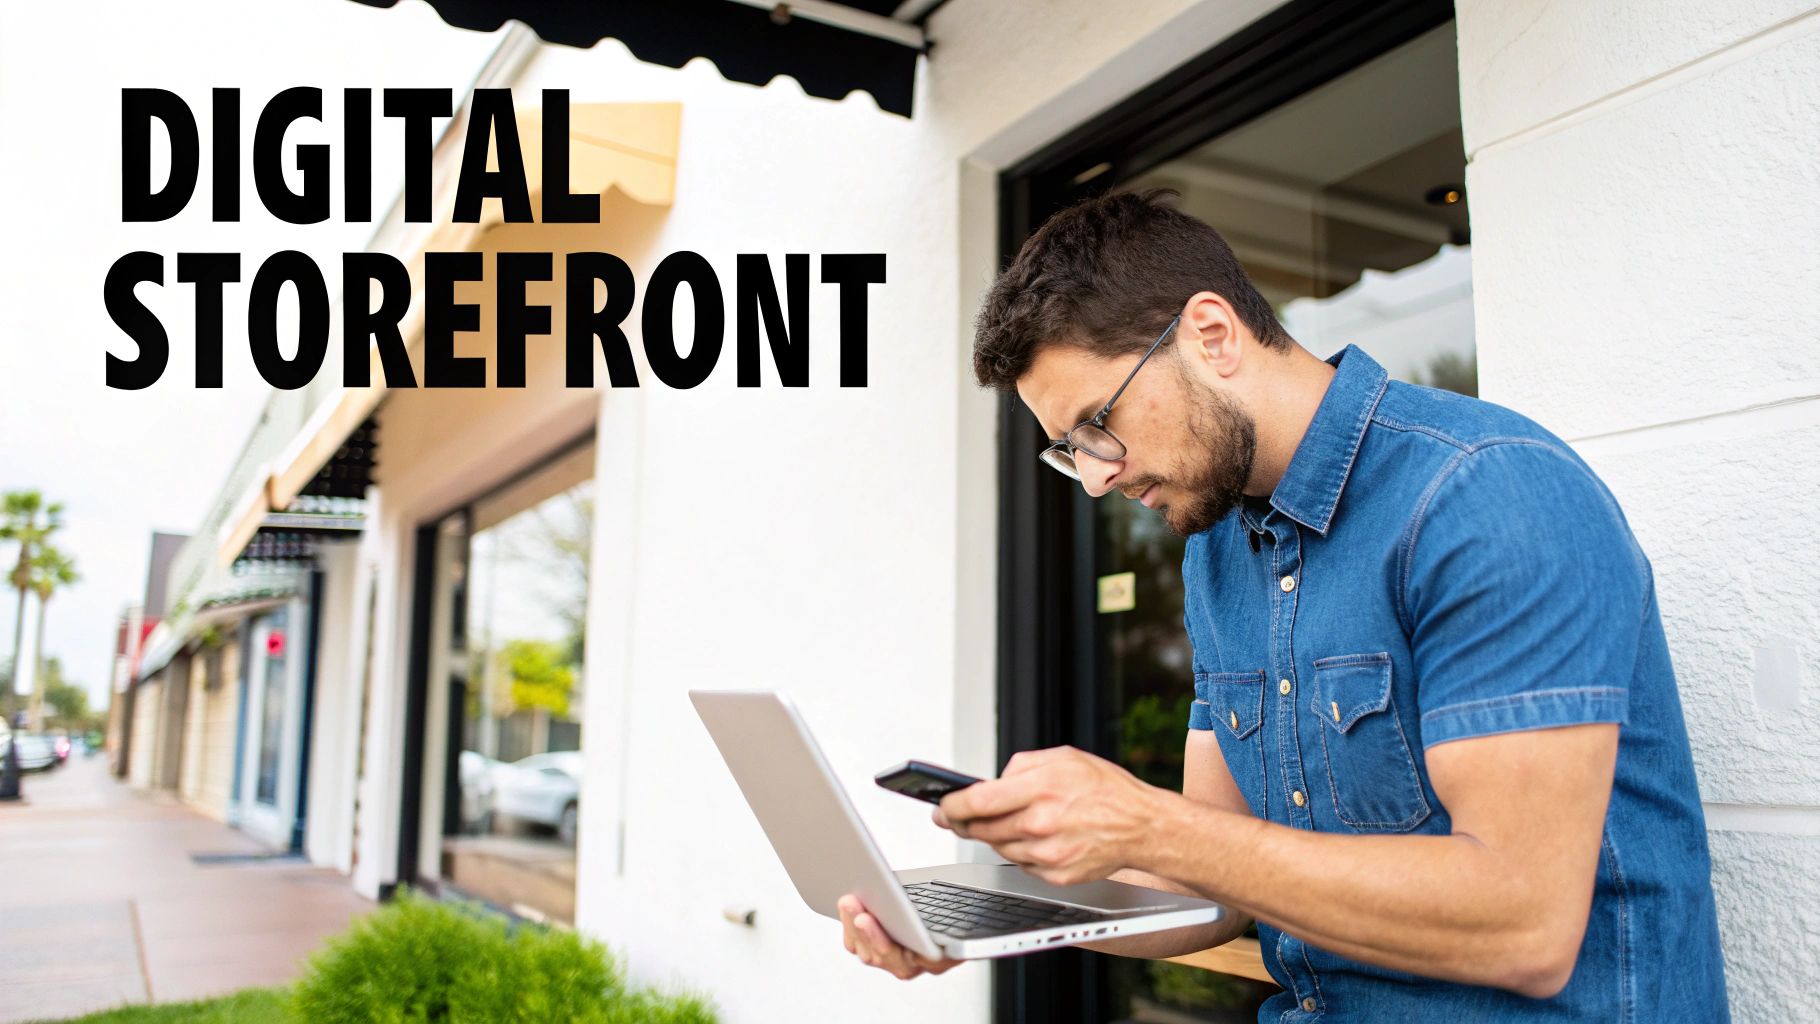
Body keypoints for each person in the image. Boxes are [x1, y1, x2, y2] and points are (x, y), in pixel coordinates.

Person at [837, 188, 1729, 1020]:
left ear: (1212, 334)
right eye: (1070, 451)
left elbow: (1523, 924)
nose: (1098, 478)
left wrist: (1149, 824)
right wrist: (1000, 915)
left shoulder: (1486, 494)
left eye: (1097, 425)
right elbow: (1209, 888)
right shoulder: (1219, 551)